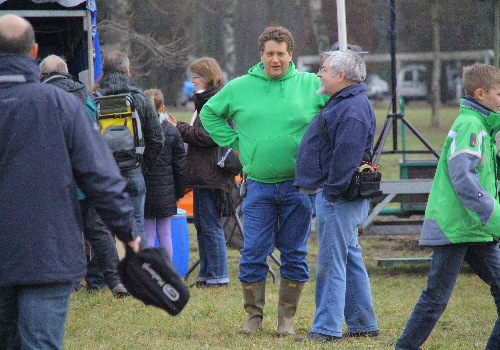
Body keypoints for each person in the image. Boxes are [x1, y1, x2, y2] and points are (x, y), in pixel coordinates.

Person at [0, 14, 140, 350]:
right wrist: (130, 234)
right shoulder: (64, 105)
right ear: (33, 52)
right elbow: (101, 176)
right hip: (47, 250)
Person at [199, 27, 329, 335]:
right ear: (261, 55)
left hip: (300, 187)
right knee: (253, 250)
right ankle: (253, 319)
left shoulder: (312, 85)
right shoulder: (240, 87)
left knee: (295, 252)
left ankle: (286, 322)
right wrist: (235, 142)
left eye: (281, 54)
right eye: (269, 54)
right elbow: (209, 113)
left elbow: (338, 113)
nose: (275, 59)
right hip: (257, 185)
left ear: (290, 55)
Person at [395, 63, 500, 350]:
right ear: (481, 94)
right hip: (456, 227)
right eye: (499, 94)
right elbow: (463, 180)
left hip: (476, 228)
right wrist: (495, 219)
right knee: (436, 298)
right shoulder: (470, 126)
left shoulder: (484, 127)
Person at [292, 49, 379, 343]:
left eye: (325, 69)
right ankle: (362, 323)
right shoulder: (346, 102)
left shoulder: (351, 108)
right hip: (339, 197)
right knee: (349, 257)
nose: (319, 73)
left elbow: (346, 157)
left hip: (338, 199)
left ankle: (326, 329)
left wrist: (330, 192)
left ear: (340, 76)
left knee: (331, 262)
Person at [39, 54, 128, 297]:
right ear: (66, 72)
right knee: (98, 230)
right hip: (88, 172)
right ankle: (115, 280)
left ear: (42, 75)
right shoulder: (85, 94)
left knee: (64, 229)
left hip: (57, 174)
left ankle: (71, 281)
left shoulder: (40, 95)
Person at [169, 57, 234, 288]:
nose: (192, 81)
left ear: (205, 77)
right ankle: (207, 276)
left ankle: (218, 277)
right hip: (204, 175)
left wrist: (180, 128)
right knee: (204, 226)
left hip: (211, 176)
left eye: (194, 77)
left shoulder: (214, 102)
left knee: (211, 226)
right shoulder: (207, 101)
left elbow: (209, 137)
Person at [96, 51, 165, 249]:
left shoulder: (93, 100)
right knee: (137, 227)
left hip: (103, 174)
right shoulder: (140, 100)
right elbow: (157, 138)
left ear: (103, 73)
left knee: (103, 229)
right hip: (133, 170)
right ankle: (142, 275)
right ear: (127, 71)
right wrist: (143, 164)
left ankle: (107, 276)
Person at [143, 88, 186, 259]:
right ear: (162, 108)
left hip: (145, 190)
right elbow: (180, 166)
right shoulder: (172, 132)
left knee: (148, 234)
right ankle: (169, 271)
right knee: (165, 233)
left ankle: (149, 272)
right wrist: (179, 192)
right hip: (166, 192)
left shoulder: (139, 132)